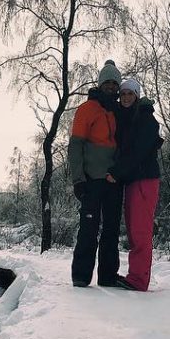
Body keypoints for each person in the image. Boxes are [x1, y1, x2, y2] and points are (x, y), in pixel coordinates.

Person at [68, 60, 123, 287]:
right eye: (107, 82)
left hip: (114, 181)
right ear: (100, 84)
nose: (110, 86)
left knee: (111, 230)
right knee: (89, 229)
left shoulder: (120, 110)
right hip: (91, 180)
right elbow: (75, 146)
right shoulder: (86, 109)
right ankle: (81, 276)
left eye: (114, 83)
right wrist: (78, 179)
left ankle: (108, 276)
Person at [106, 77, 161, 291]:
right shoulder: (128, 116)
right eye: (123, 94)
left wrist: (117, 172)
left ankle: (139, 280)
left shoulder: (146, 119)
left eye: (130, 93)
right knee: (133, 230)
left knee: (140, 231)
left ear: (137, 95)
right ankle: (135, 275)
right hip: (132, 180)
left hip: (144, 179)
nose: (126, 97)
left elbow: (138, 152)